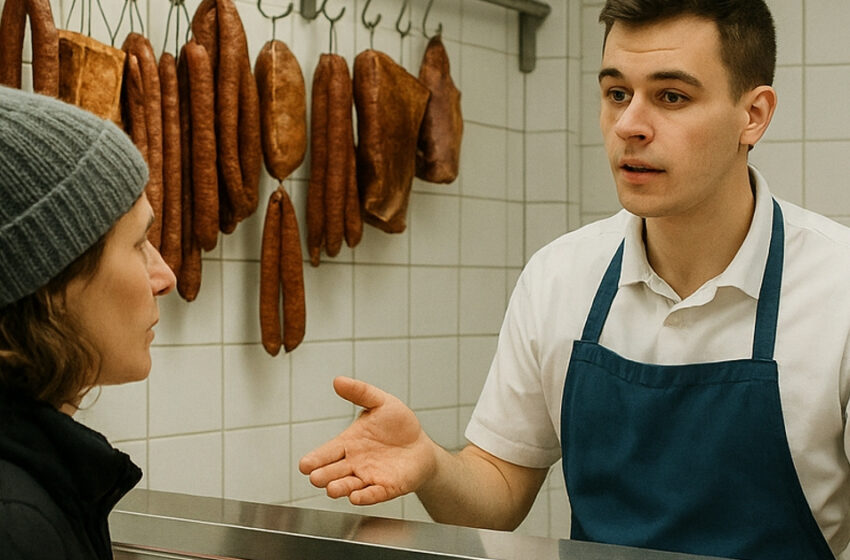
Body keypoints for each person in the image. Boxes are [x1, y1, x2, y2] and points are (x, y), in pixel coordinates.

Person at [299, 1, 850, 558]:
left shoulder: (839, 287)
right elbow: (499, 491)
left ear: (753, 114)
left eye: (671, 96)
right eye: (616, 93)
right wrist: (431, 465)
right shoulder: (560, 276)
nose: (629, 125)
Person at [0, 86, 176, 559]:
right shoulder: (16, 526)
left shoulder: (38, 487)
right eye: (139, 243)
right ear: (48, 284)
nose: (165, 276)